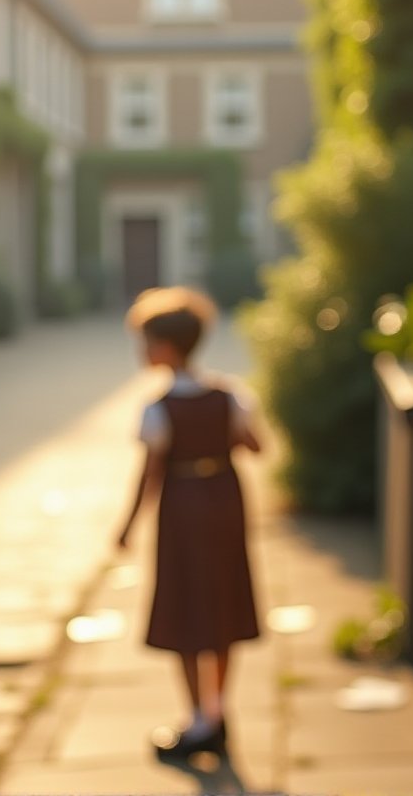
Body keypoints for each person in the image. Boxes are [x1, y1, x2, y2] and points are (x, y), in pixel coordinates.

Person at [115, 286, 263, 760]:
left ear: (164, 347)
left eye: (145, 342)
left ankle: (200, 716)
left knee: (184, 608)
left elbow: (150, 474)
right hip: (225, 501)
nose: (141, 351)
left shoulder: (158, 408)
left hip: (182, 507)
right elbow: (255, 445)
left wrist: (127, 526)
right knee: (221, 604)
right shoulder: (229, 394)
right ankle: (216, 712)